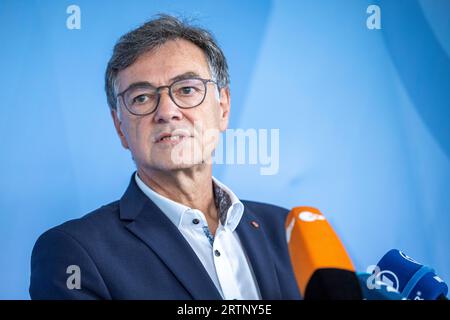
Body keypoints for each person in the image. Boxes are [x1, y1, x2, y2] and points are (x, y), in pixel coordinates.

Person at [29, 14, 301, 300]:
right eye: (142, 98)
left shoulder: (288, 231)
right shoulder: (72, 254)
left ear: (223, 107)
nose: (167, 111)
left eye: (187, 90)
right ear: (120, 127)